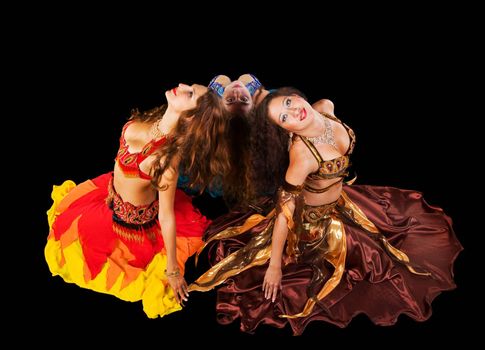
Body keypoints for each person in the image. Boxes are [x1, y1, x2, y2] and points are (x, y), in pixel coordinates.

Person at [189, 88, 463, 335]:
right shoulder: (302, 156)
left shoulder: (324, 107)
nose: (295, 111)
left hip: (342, 203)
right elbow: (285, 211)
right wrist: (274, 265)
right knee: (370, 268)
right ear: (288, 131)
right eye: (285, 117)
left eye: (288, 102)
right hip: (312, 225)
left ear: (297, 95)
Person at [45, 83, 244, 319]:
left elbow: (167, 216)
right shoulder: (155, 120)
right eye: (189, 86)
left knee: (85, 253)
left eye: (189, 94)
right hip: (108, 198)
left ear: (191, 119)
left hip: (133, 224)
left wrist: (172, 270)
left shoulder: (166, 161)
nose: (181, 86)